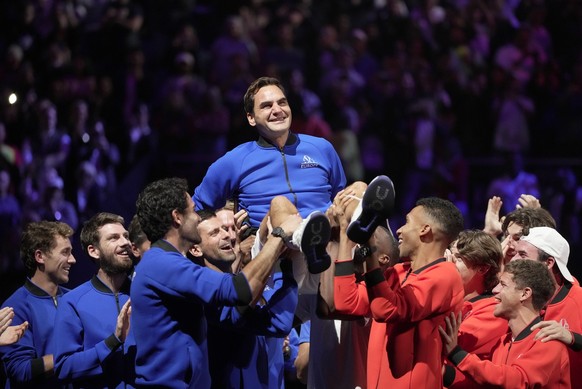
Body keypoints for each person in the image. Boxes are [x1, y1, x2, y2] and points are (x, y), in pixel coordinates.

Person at [131, 177, 328, 388]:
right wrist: (278, 237)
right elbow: (238, 290)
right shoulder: (159, 263)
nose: (198, 218)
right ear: (177, 217)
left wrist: (287, 267)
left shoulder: (175, 267)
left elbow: (251, 319)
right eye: (193, 210)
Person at [192, 76, 346, 276]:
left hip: (327, 239)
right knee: (280, 205)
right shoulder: (235, 160)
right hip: (273, 248)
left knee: (358, 190)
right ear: (251, 118)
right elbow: (197, 210)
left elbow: (338, 195)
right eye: (266, 106)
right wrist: (224, 225)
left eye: (282, 102)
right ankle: (304, 240)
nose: (277, 110)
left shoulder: (322, 148)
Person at [335, 183, 465, 388]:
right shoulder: (398, 272)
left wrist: (371, 253)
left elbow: (388, 309)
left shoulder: (445, 276)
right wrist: (343, 234)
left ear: (425, 230)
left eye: (406, 222)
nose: (399, 230)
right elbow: (346, 301)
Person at [189, 208, 297, 389]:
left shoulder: (237, 284)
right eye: (215, 232)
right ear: (195, 249)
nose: (228, 236)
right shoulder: (200, 293)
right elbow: (281, 323)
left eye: (226, 229)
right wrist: (279, 253)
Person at [440, 259, 570, 388]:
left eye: (503, 285)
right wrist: (443, 372)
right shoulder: (503, 342)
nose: (495, 291)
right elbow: (486, 384)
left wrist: (456, 353)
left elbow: (517, 380)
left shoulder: (547, 342)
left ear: (525, 294)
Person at [53, 213, 134, 388]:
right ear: (93, 251)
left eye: (126, 236)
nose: (125, 242)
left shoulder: (143, 293)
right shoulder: (73, 302)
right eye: (114, 238)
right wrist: (113, 341)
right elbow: (64, 368)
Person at [1, 221, 75, 388]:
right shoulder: (15, 307)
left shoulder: (74, 299)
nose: (73, 260)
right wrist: (73, 357)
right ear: (40, 256)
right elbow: (21, 370)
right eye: (65, 252)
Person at [511, 226, 582, 388]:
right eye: (515, 253)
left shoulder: (579, 299)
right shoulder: (519, 297)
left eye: (522, 255)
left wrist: (572, 338)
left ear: (549, 262)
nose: (514, 260)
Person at [443, 229, 507, 389]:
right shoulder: (457, 300)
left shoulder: (493, 310)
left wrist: (443, 282)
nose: (448, 262)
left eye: (458, 258)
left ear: (482, 269)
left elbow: (445, 341)